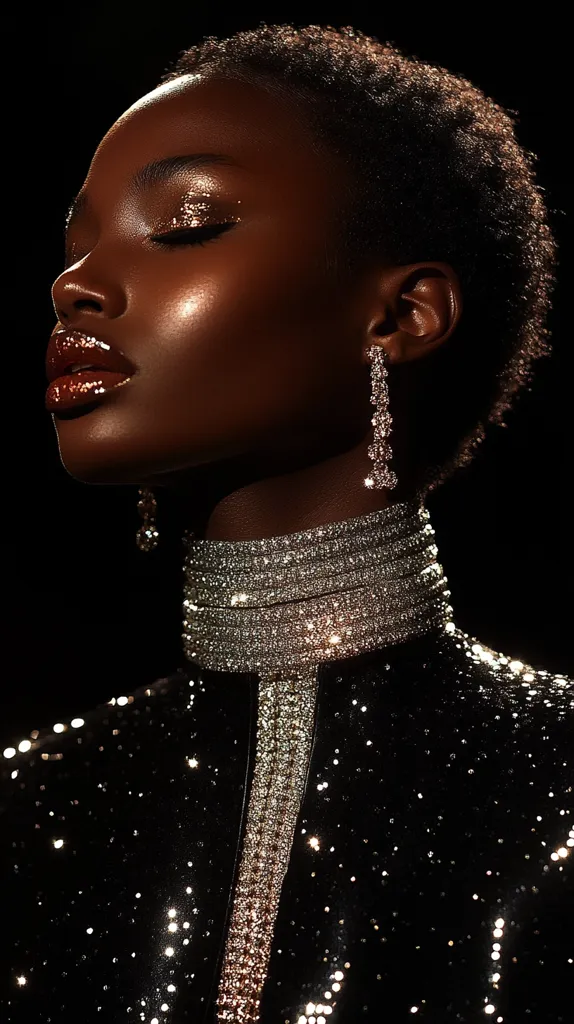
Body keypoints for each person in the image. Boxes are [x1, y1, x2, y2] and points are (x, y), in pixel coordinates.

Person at [1, 23, 571, 1024]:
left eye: (184, 222)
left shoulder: (557, 790)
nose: (75, 285)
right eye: (74, 243)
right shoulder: (32, 807)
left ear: (402, 316)